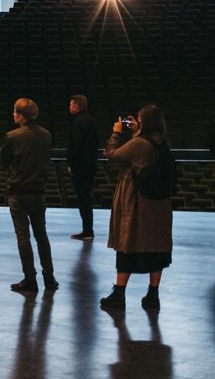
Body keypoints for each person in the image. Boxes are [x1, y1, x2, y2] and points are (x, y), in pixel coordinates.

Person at [100, 104, 173, 311]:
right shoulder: (161, 141)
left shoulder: (139, 143)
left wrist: (116, 133)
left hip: (138, 203)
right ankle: (152, 295)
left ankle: (119, 293)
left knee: (128, 243)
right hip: (159, 205)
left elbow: (112, 155)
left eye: (139, 121)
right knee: (157, 248)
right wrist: (135, 131)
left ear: (145, 123)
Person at [1, 97, 58, 294]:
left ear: (20, 115)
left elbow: (4, 160)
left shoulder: (12, 136)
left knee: (23, 236)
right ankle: (49, 278)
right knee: (41, 235)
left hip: (18, 190)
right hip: (38, 191)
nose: (13, 114)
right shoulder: (46, 135)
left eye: (14, 111)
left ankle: (30, 279)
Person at [66, 93, 98, 241]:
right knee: (86, 197)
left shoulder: (78, 121)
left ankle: (87, 230)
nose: (69, 107)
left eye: (71, 104)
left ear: (77, 106)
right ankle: (88, 229)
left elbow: (76, 145)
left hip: (81, 166)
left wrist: (71, 164)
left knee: (83, 198)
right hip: (91, 164)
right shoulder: (91, 120)